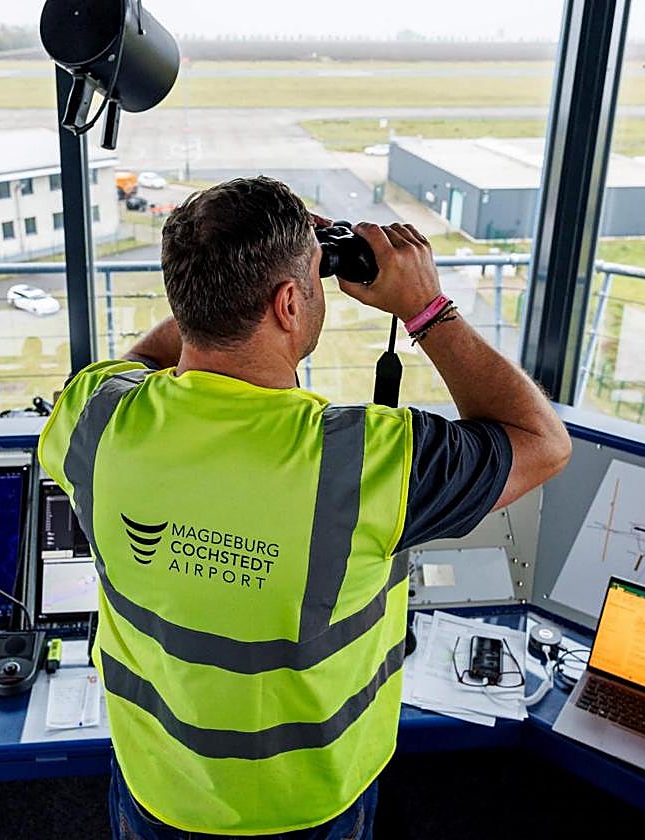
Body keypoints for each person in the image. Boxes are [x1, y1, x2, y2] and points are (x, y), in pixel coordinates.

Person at [39, 176, 571, 839]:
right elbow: (542, 443)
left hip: (158, 786)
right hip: (310, 806)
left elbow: (141, 364)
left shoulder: (95, 417)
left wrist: (224, 282)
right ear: (291, 302)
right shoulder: (368, 461)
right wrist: (426, 307)